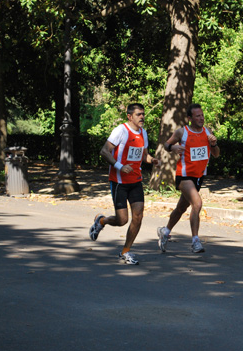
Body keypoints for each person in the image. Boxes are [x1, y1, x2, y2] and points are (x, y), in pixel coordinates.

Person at [88, 103, 159, 265]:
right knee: (122, 220)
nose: (142, 117)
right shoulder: (120, 131)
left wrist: (152, 160)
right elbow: (104, 151)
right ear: (129, 116)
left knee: (138, 216)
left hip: (136, 181)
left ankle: (126, 251)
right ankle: (101, 221)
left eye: (143, 114)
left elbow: (144, 156)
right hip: (119, 181)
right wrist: (120, 166)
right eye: (138, 114)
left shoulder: (143, 133)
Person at [157, 104, 220, 253]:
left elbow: (216, 154)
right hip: (184, 175)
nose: (201, 118)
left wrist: (214, 144)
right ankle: (195, 241)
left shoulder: (207, 132)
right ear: (189, 118)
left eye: (202, 115)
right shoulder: (182, 132)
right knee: (197, 204)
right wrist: (173, 148)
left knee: (181, 208)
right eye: (197, 116)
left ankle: (164, 232)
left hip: (199, 176)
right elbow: (166, 144)